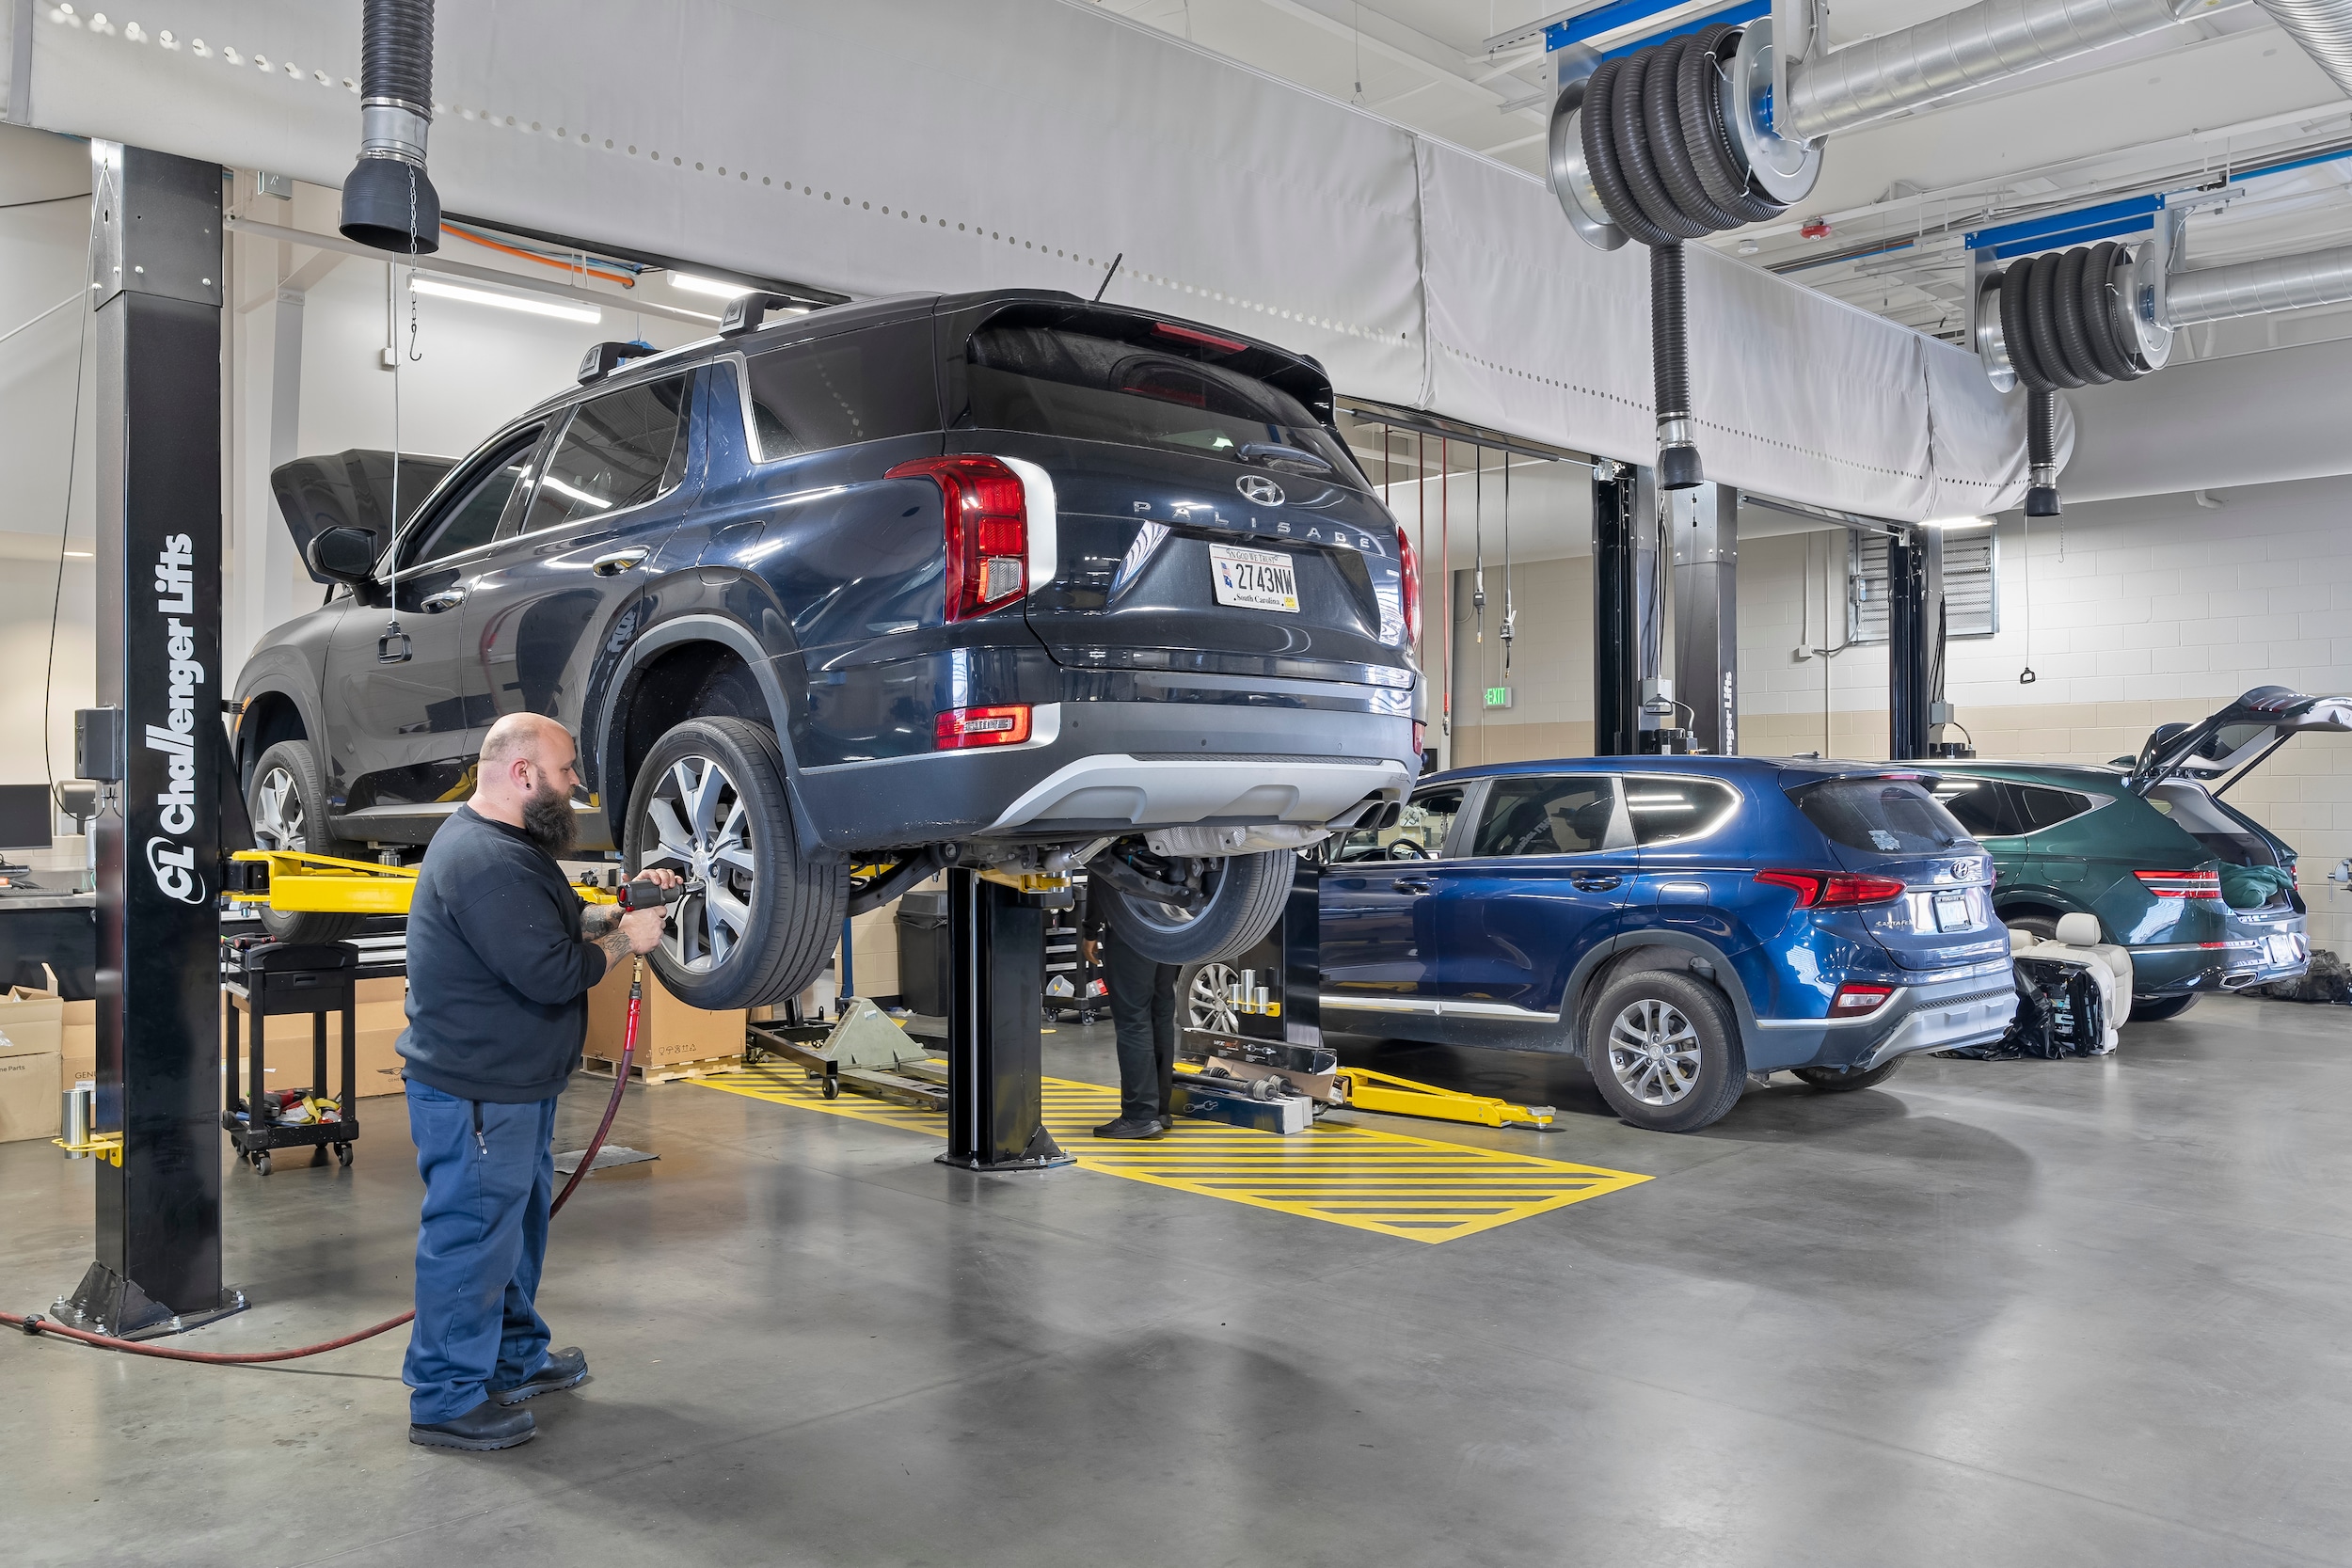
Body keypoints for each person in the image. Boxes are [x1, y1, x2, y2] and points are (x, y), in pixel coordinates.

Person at [396, 712, 677, 1451]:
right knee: (472, 1240)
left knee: (517, 1231)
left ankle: (513, 1355)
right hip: (477, 1095)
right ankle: (446, 1397)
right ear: (522, 774)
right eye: (565, 771)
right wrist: (627, 940)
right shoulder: (484, 860)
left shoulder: (506, 849)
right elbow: (550, 969)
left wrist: (620, 903)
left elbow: (550, 922)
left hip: (512, 1087)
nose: (575, 784)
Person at [1092, 920, 1181, 1141]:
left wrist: (1089, 930)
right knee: (1159, 1016)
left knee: (1133, 1018)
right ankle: (1159, 1110)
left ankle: (1139, 1115)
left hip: (1131, 928)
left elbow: (1101, 886)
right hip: (1170, 928)